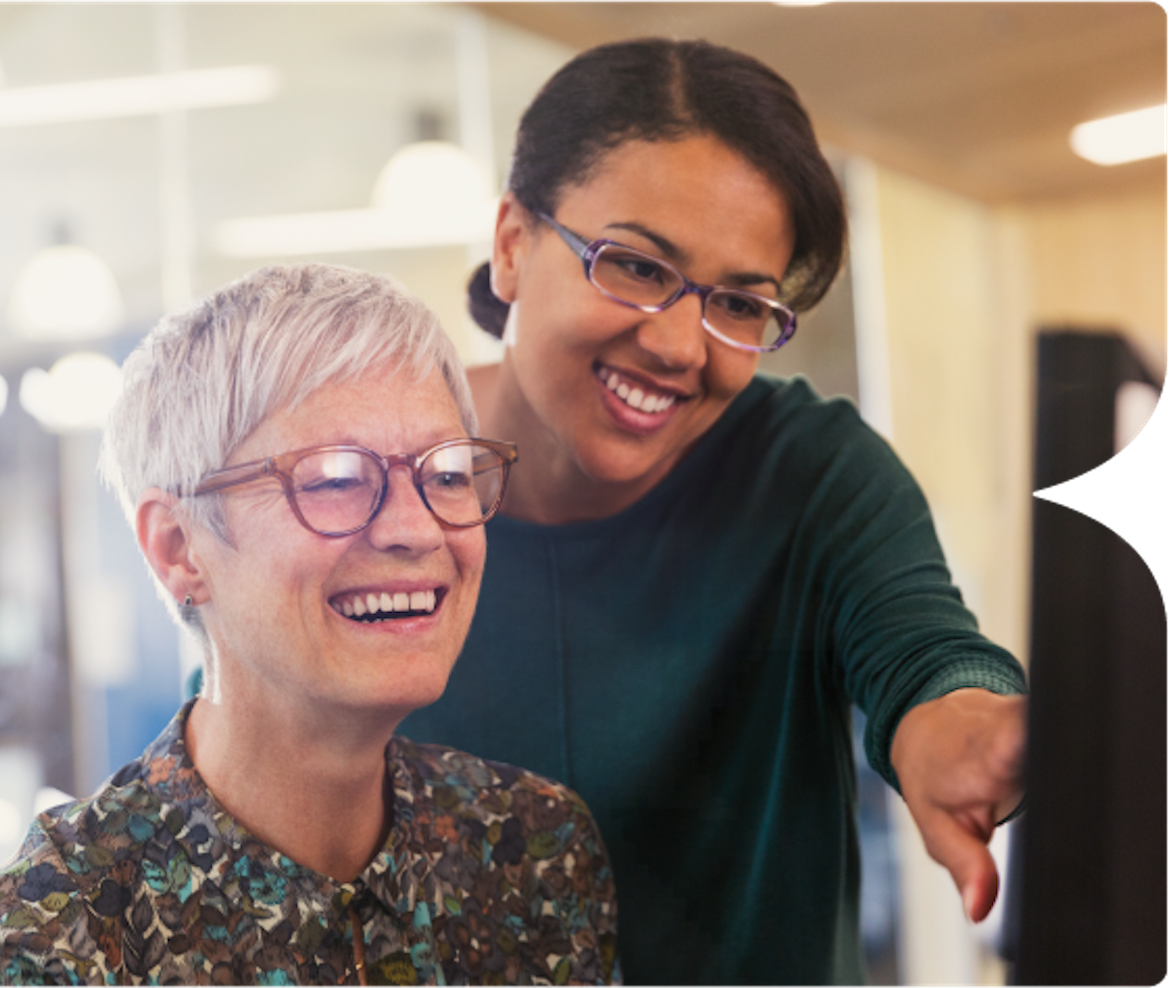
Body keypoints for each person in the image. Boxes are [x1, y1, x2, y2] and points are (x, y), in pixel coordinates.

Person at [400, 38, 1028, 987]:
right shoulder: (377, 491)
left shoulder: (806, 471)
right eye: (638, 267)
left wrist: (962, 731)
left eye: (739, 302)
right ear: (512, 243)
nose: (680, 346)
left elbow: (927, 655)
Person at [0, 264, 619, 988]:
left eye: (446, 473)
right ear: (177, 547)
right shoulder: (46, 943)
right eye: (335, 479)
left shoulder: (535, 854)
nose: (418, 529)